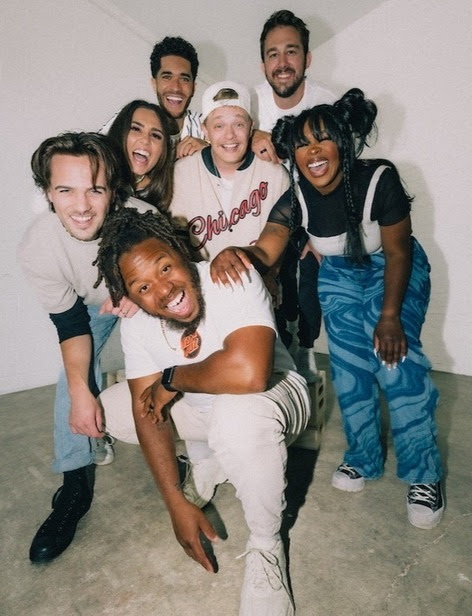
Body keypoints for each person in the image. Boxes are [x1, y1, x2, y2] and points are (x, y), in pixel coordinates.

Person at [210, 88, 444, 530]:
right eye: (302, 144)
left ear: (343, 142)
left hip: (393, 267)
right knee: (350, 370)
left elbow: (399, 252)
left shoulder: (378, 179)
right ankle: (363, 457)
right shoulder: (296, 197)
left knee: (395, 363)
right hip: (339, 273)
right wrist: (235, 252)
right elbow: (267, 247)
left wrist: (389, 317)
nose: (313, 152)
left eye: (322, 139)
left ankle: (424, 474)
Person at [95, 207, 310, 615]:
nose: (164, 291)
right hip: (206, 411)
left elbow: (250, 374)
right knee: (113, 409)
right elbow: (146, 412)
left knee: (236, 419)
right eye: (143, 287)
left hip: (277, 396)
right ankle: (212, 458)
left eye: (165, 267)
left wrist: (171, 379)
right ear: (131, 297)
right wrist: (174, 501)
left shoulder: (229, 274)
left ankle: (266, 547)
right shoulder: (138, 324)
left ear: (180, 251)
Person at [17, 132, 156, 563]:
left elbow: (182, 290)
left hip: (153, 304)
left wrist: (143, 293)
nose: (81, 206)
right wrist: (82, 394)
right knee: (74, 376)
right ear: (47, 194)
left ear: (113, 191)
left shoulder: (142, 223)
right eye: (66, 190)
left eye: (95, 189)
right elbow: (71, 326)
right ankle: (75, 484)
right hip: (95, 309)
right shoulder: (37, 248)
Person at [251, 9, 336, 382]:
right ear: (263, 64)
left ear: (307, 58)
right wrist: (251, 136)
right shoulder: (249, 104)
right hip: (261, 212)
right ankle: (273, 348)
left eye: (291, 51)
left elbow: (342, 175)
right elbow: (221, 142)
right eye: (273, 54)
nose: (282, 63)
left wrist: (322, 230)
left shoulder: (327, 103)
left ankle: (305, 348)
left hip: (311, 211)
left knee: (310, 269)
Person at [169, 80, 289, 263]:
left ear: (251, 127)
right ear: (205, 130)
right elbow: (176, 241)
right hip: (202, 278)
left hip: (260, 277)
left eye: (238, 124)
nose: (230, 135)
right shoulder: (182, 172)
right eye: (219, 126)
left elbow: (282, 248)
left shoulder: (276, 174)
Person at [107, 99, 173, 208]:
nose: (146, 140)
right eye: (136, 129)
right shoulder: (93, 179)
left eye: (155, 135)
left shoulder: (172, 195)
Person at [149, 36, 207, 159]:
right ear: (154, 84)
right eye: (167, 77)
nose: (176, 88)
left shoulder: (210, 126)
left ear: (194, 88)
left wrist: (210, 152)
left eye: (184, 79)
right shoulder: (131, 121)